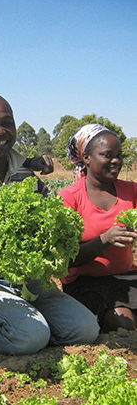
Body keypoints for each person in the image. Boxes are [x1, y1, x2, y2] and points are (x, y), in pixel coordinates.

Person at [0, 93, 99, 366]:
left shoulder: (28, 175)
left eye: (6, 123)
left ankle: (21, 330)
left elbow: (53, 219)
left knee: (85, 329)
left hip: (30, 281)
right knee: (30, 335)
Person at [59, 123, 137, 333]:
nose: (116, 161)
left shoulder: (131, 190)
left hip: (127, 278)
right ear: (87, 158)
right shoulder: (69, 198)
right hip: (86, 284)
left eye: (119, 155)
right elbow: (67, 259)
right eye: (107, 155)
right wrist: (105, 239)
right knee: (124, 323)